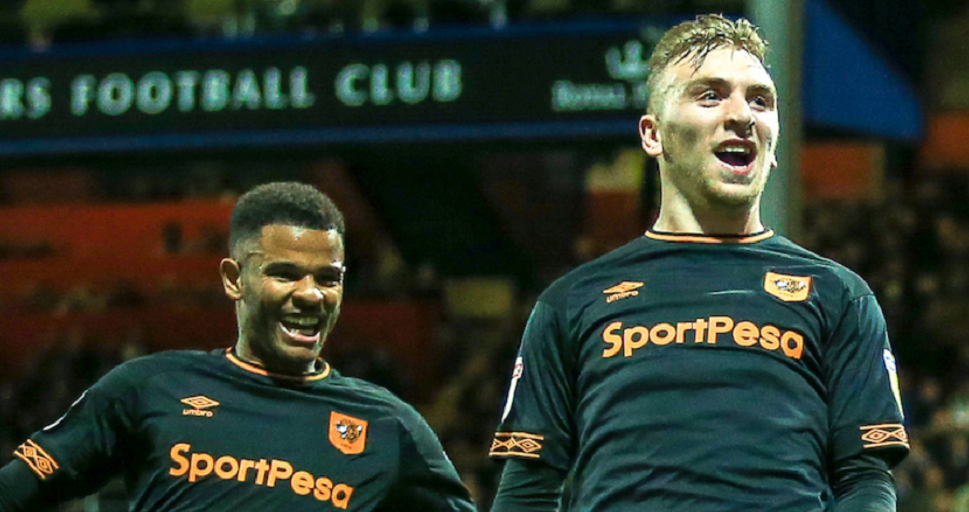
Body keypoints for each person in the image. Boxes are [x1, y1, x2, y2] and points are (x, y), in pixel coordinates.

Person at [489, 14, 909, 512]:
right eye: (710, 95)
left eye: (760, 99)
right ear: (652, 134)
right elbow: (528, 491)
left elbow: (865, 480)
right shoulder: (570, 303)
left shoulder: (839, 296)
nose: (743, 115)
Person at [0, 182, 477, 512]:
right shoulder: (148, 387)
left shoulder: (389, 426)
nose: (311, 294)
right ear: (234, 279)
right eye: (285, 274)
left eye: (329, 279)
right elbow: (18, 489)